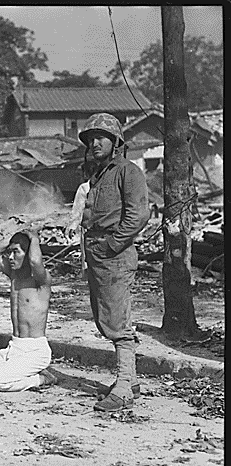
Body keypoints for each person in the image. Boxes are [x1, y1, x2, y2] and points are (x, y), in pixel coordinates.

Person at [78, 112, 150, 412]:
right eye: (90, 139)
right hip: (97, 255)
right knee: (105, 318)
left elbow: (138, 216)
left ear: (115, 141)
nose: (94, 143)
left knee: (117, 322)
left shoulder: (128, 172)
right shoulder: (98, 175)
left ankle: (124, 388)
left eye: (101, 137)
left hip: (115, 256)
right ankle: (129, 379)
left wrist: (111, 245)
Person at [0, 229, 57, 391]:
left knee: (0, 381)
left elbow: (35, 262)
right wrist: (16, 235)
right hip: (14, 347)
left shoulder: (41, 280)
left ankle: (42, 379)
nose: (10, 257)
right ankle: (18, 373)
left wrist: (33, 238)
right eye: (9, 252)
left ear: (27, 254)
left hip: (35, 350)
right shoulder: (14, 276)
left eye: (16, 252)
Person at [65, 160, 99, 278]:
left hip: (89, 227)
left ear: (86, 173)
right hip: (101, 227)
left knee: (88, 254)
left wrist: (72, 226)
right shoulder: (104, 186)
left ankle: (88, 274)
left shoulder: (84, 187)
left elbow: (78, 209)